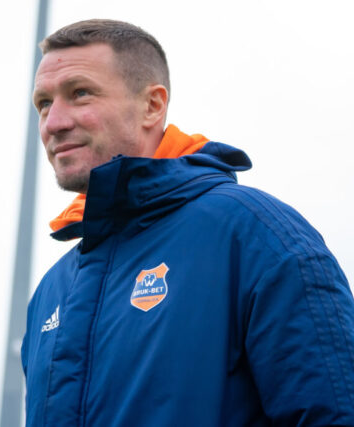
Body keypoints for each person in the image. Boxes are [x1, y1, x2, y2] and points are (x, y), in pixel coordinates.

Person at [20, 19, 354, 426]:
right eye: (44, 104)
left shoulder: (256, 235)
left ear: (152, 105)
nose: (54, 122)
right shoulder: (51, 291)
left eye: (80, 93)